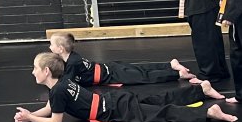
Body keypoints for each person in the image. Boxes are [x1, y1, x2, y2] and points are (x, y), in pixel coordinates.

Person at [14, 53, 237, 122]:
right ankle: (200, 91)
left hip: (113, 109)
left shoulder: (58, 91)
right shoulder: (61, 84)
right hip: (112, 99)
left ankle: (207, 113)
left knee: (161, 112)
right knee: (157, 99)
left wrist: (31, 117)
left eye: (35, 69)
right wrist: (31, 116)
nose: (32, 72)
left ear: (45, 71)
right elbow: (51, 108)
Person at [49, 33, 201, 86]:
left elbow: (66, 84)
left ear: (61, 49)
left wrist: (49, 80)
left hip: (112, 74)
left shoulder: (73, 62)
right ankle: (170, 64)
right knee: (141, 70)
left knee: (144, 77)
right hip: (109, 68)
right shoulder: (70, 58)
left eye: (51, 45)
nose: (49, 47)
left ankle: (177, 74)